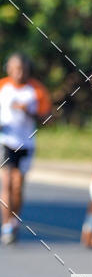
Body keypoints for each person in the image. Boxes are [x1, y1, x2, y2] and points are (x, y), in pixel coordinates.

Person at [0, 52, 51, 245]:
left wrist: (29, 111)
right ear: (9, 69)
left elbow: (47, 116)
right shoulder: (2, 87)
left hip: (26, 143)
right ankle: (6, 225)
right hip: (5, 141)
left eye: (23, 69)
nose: (19, 73)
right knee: (6, 183)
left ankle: (14, 221)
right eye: (15, 69)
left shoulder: (36, 89)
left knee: (18, 184)